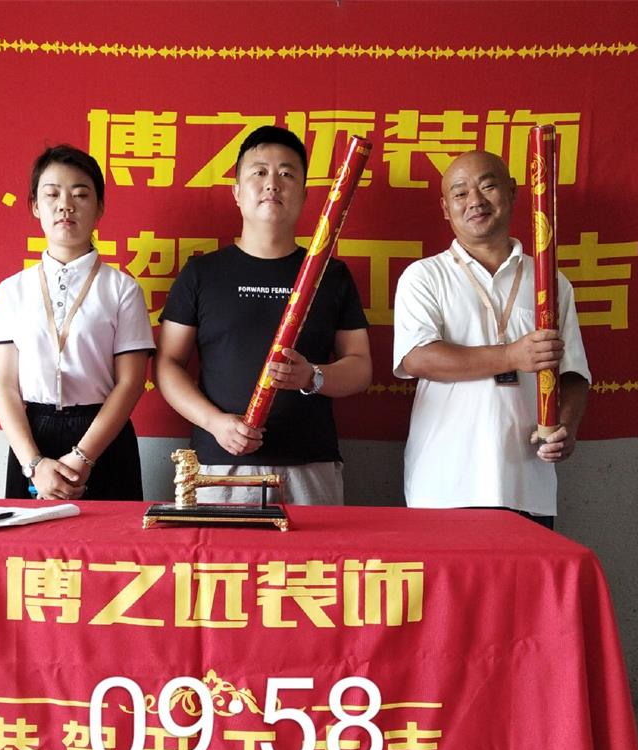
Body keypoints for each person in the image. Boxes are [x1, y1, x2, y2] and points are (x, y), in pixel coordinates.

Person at [155, 125, 372, 505]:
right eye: (259, 172)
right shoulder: (202, 273)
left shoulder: (331, 275)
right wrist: (214, 422)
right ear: (237, 192)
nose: (272, 184)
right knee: (219, 550)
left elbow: (360, 366)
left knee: (316, 549)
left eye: (287, 174)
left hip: (309, 463)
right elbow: (167, 364)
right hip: (219, 463)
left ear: (304, 195)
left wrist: (313, 376)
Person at [392, 150, 591, 527]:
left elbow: (573, 373)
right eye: (460, 193)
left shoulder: (549, 281)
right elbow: (418, 358)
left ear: (513, 193)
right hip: (445, 484)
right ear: (446, 208)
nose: (475, 201)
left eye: (487, 186)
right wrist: (511, 356)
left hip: (528, 482)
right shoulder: (424, 277)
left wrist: (566, 425)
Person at [0, 144, 154, 501]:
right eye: (52, 194)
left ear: (100, 208)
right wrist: (33, 464)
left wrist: (83, 457)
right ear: (35, 206)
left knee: (110, 539)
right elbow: (4, 385)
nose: (66, 205)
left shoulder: (123, 289)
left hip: (104, 438)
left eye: (80, 194)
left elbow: (130, 383)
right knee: (29, 539)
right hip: (33, 441)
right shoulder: (11, 291)